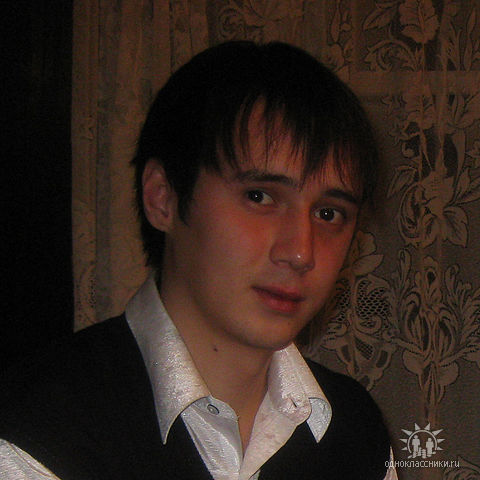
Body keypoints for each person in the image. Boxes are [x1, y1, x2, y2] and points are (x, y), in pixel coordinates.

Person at [0, 41, 396, 479]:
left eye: (329, 214)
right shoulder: (39, 431)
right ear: (163, 198)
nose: (301, 252)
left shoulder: (355, 431)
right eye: (260, 197)